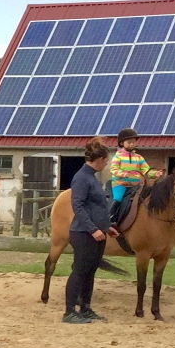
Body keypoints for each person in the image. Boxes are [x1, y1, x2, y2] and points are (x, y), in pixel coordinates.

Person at [64, 138, 118, 324]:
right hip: (83, 234)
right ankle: (69, 311)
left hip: (97, 233)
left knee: (90, 271)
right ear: (100, 159)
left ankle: (85, 307)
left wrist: (106, 227)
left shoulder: (91, 178)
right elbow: (77, 206)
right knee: (79, 271)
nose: (107, 164)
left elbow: (95, 207)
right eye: (106, 160)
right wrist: (93, 229)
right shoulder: (81, 177)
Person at [108, 128, 157, 227]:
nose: (132, 144)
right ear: (122, 143)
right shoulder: (118, 157)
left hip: (136, 185)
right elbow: (113, 170)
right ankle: (110, 217)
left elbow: (146, 170)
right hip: (120, 184)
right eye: (129, 142)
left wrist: (154, 174)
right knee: (118, 198)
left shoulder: (139, 157)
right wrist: (125, 175)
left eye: (133, 142)